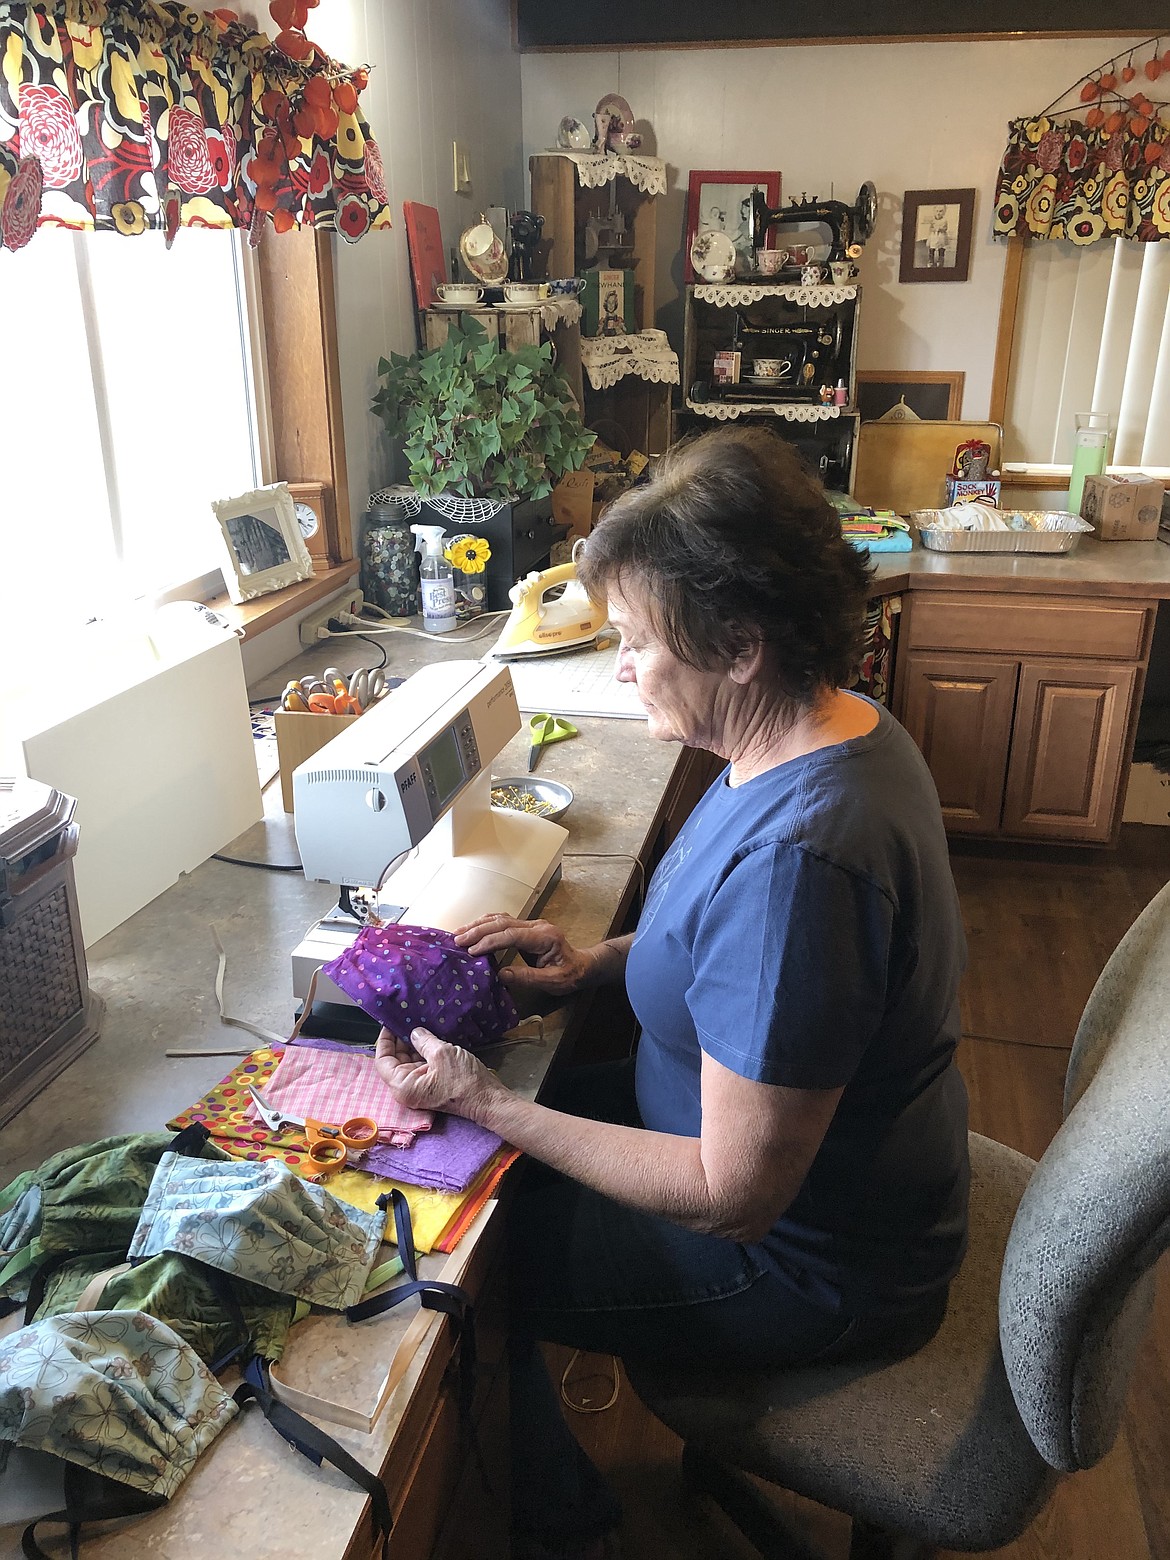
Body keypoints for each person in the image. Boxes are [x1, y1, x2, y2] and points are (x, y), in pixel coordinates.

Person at [376, 425, 970, 1559]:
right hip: (796, 1158)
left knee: (459, 1263)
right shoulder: (826, 730)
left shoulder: (810, 857)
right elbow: (731, 945)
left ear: (740, 643)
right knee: (475, 1165)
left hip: (802, 1262)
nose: (620, 667)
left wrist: (494, 1106)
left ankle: (562, 1527)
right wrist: (596, 964)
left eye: (640, 643)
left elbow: (731, 1192)